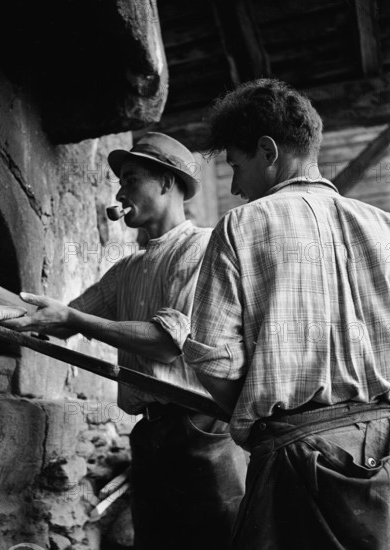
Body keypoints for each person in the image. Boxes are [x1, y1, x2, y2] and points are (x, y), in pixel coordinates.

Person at [0, 132, 247, 550]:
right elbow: (57, 319)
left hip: (200, 432)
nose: (119, 191)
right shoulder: (127, 270)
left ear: (168, 183)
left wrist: (75, 318)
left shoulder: (202, 248)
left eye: (131, 178)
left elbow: (168, 341)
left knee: (217, 542)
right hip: (149, 434)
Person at [152, 79, 390, 549]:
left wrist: (260, 418)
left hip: (295, 461)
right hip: (383, 456)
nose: (236, 186)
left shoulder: (243, 224)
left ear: (267, 151)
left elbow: (213, 360)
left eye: (235, 167)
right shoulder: (383, 226)